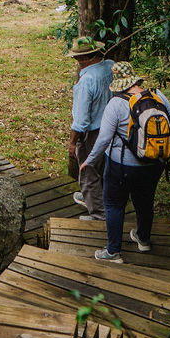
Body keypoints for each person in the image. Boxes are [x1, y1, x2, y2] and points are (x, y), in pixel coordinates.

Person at [81, 61, 170, 262]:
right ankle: (143, 240)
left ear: (118, 83)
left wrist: (89, 161)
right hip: (154, 164)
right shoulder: (157, 95)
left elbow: (104, 139)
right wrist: (155, 150)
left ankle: (113, 251)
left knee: (114, 204)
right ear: (134, 79)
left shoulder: (116, 104)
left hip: (121, 167)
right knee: (144, 201)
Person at [66, 37, 113, 219]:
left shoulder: (87, 81)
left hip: (93, 132)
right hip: (112, 127)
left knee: (88, 171)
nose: (76, 62)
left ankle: (99, 215)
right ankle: (93, 199)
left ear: (84, 58)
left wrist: (72, 143)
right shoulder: (110, 66)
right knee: (104, 168)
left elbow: (81, 120)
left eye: (77, 58)